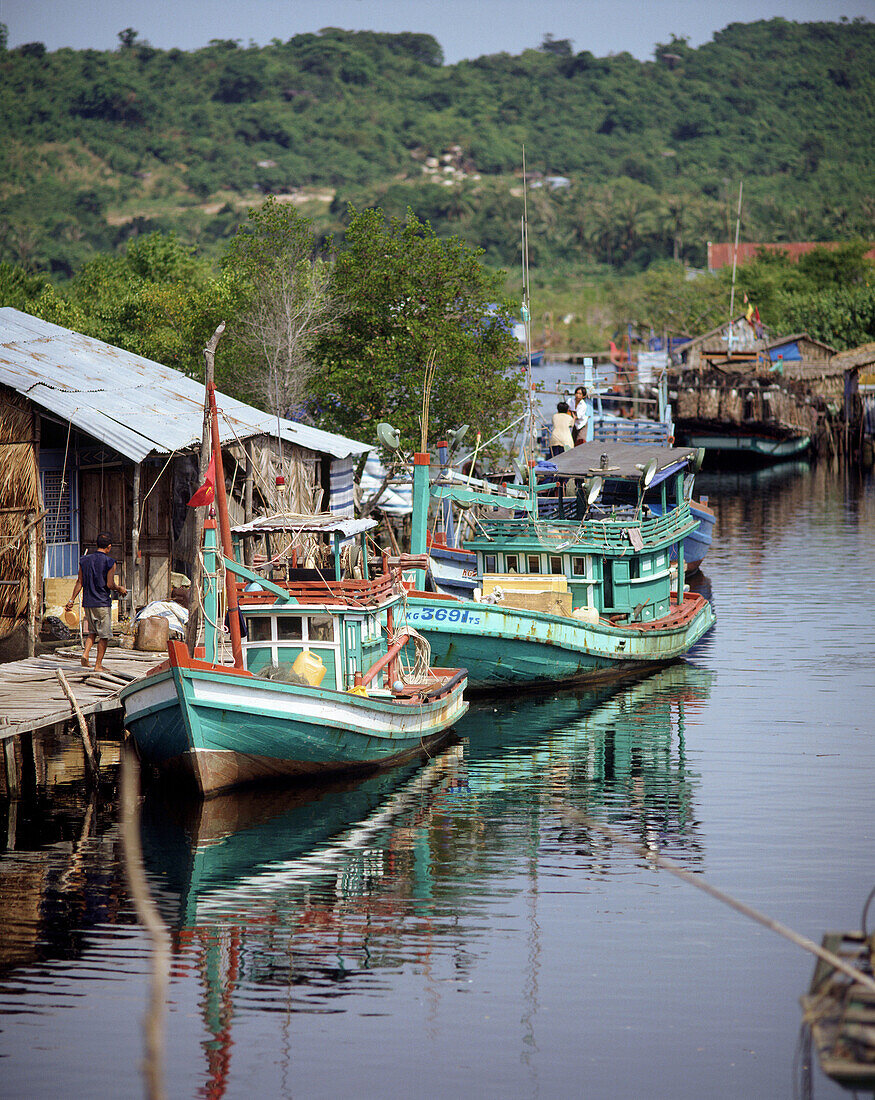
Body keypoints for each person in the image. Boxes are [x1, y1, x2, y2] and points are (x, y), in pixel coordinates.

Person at [65, 532, 127, 671]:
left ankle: (86, 654)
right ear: (109, 547)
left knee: (92, 632)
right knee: (104, 635)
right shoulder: (110, 562)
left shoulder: (84, 560)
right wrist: (120, 589)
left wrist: (71, 600)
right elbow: (110, 584)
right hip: (102, 603)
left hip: (88, 602)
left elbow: (79, 582)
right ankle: (98, 665)